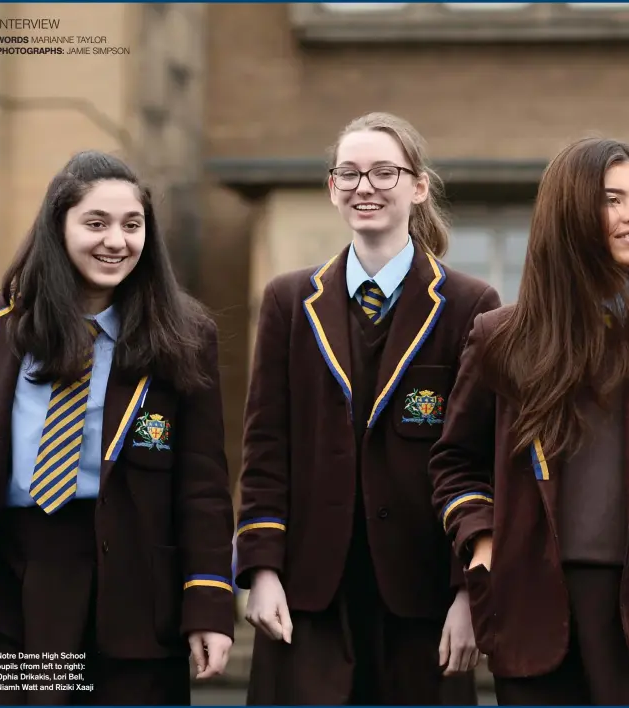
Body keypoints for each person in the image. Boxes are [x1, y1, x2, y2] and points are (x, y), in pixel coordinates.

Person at [236, 112, 501, 705]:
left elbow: (480, 460)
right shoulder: (288, 300)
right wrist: (261, 572)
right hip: (308, 593)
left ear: (418, 186)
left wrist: (468, 593)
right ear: (332, 189)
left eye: (385, 172)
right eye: (350, 174)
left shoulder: (469, 305)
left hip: (422, 595)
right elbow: (265, 449)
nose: (366, 187)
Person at [429, 137, 629, 705]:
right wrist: (482, 544)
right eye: (613, 200)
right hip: (532, 606)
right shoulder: (502, 338)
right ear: (569, 214)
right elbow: (455, 462)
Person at [0, 151, 234, 705]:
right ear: (58, 226)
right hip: (18, 587)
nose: (115, 241)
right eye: (95, 223)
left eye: (131, 225)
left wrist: (210, 605)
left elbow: (203, 486)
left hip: (136, 594)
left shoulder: (184, 335)